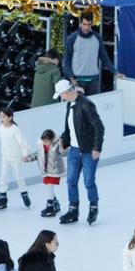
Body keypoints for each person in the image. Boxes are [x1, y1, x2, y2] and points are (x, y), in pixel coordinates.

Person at [54, 79, 105, 225]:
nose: (61, 97)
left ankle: (93, 207)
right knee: (71, 181)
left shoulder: (86, 104)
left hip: (89, 151)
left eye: (61, 95)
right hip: (74, 152)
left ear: (67, 92)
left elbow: (99, 127)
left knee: (88, 182)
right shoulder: (69, 105)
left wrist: (97, 148)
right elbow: (71, 127)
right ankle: (73, 210)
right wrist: (64, 138)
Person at [63, 14, 115, 95]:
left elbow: (104, 57)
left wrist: (115, 72)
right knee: (77, 106)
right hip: (77, 80)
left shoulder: (97, 38)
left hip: (94, 80)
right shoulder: (72, 39)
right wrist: (71, 78)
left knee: (92, 105)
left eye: (89, 24)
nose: (86, 27)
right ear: (80, 24)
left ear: (92, 24)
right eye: (84, 24)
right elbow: (67, 60)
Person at [0, 107, 32, 211]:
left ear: (10, 118)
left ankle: (24, 194)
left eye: (4, 116)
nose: (1, 119)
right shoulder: (1, 128)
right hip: (5, 157)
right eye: (0, 116)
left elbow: (24, 144)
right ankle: (2, 198)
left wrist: (25, 154)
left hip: (16, 158)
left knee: (19, 177)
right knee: (3, 177)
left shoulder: (15, 129)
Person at [33, 129, 66, 218]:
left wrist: (64, 145)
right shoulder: (41, 144)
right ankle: (56, 204)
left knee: (50, 187)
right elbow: (38, 155)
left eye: (47, 141)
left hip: (55, 170)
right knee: (48, 188)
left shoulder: (57, 143)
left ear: (51, 140)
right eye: (43, 141)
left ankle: (50, 206)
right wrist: (28, 158)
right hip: (46, 170)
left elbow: (64, 153)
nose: (45, 143)